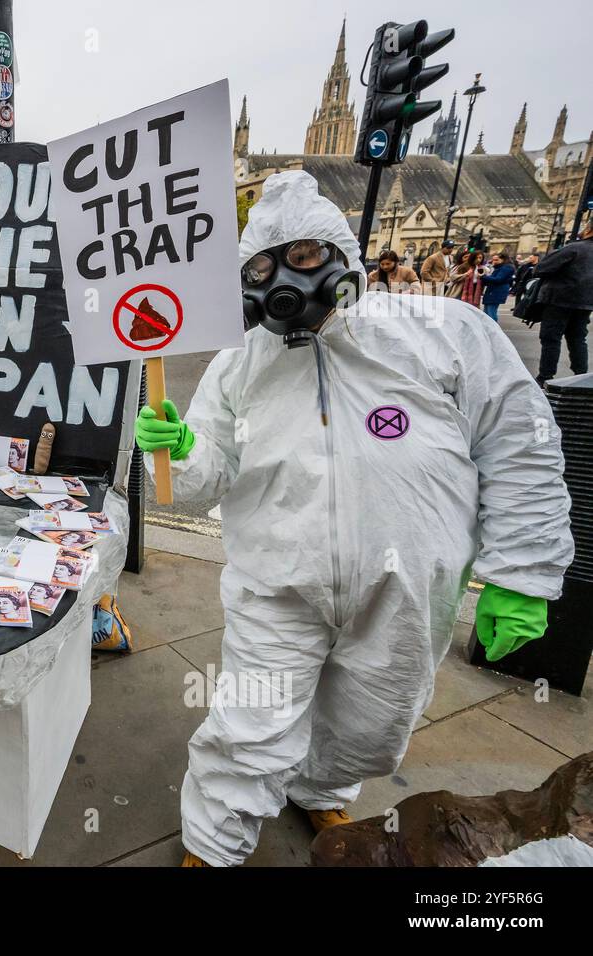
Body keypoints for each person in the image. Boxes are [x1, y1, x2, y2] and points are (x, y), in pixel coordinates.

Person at [135, 171, 573, 868]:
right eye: (261, 267)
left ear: (340, 254)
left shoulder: (442, 332)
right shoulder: (236, 365)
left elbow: (519, 443)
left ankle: (320, 788)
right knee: (250, 724)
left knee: (372, 717)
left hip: (406, 592)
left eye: (305, 257)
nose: (284, 278)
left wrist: (523, 572)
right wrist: (182, 453)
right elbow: (201, 482)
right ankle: (212, 845)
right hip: (276, 583)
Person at [532, 222, 593, 386]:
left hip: (559, 300)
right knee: (578, 339)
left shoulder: (574, 248)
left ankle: (545, 375)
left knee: (551, 338)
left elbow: (541, 269)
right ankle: (581, 375)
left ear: (588, 230)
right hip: (585, 303)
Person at [478, 251, 516, 323]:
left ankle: (493, 330)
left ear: (503, 259)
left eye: (496, 260)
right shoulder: (500, 268)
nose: (494, 262)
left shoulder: (506, 268)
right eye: (493, 260)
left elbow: (499, 279)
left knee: (491, 313)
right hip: (492, 292)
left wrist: (483, 277)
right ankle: (489, 329)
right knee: (487, 313)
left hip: (496, 292)